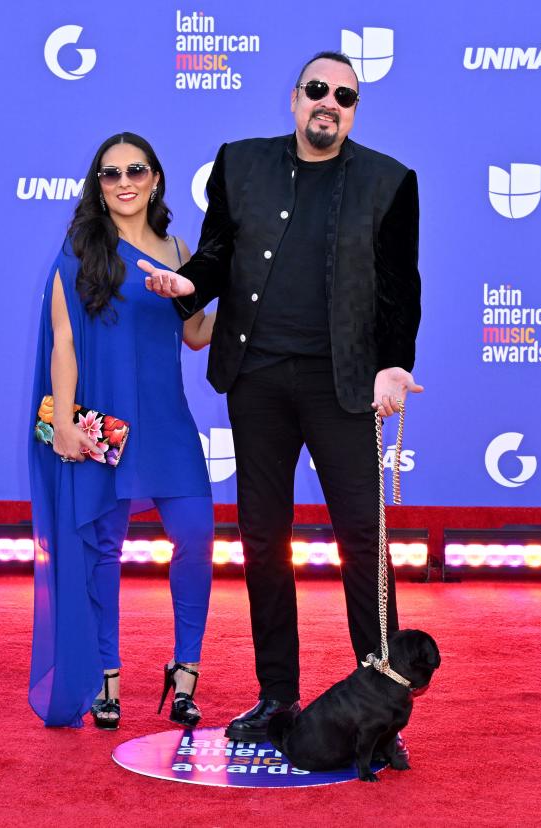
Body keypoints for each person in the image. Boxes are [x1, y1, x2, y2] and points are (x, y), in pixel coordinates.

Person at [139, 51, 423, 755]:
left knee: (365, 539)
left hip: (343, 384)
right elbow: (216, 253)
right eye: (318, 91)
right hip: (257, 380)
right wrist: (187, 286)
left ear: (354, 111)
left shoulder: (390, 182)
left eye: (345, 97)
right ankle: (276, 697)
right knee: (265, 540)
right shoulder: (240, 163)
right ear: (294, 99)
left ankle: (380, 702)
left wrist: (394, 365)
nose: (330, 104)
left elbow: (399, 289)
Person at [28, 132, 215, 731]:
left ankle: (185, 673)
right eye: (111, 174)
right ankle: (107, 676)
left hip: (168, 423)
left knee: (196, 538)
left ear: (156, 178)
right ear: (98, 185)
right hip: (105, 426)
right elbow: (62, 341)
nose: (124, 181)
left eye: (136, 170)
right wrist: (60, 421)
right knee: (103, 551)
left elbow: (196, 335)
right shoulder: (82, 247)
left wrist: (234, 294)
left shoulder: (177, 248)